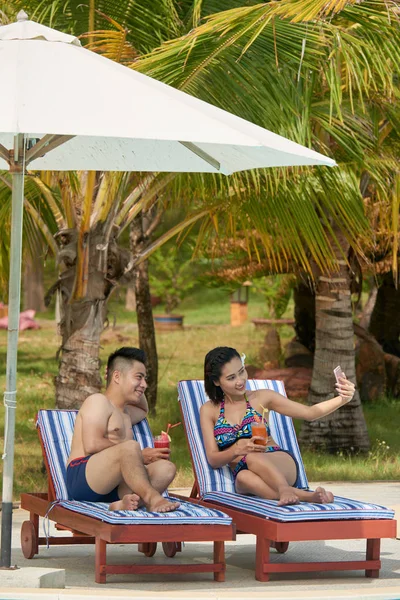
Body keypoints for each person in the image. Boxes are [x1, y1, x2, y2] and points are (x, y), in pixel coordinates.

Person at [201, 347, 356, 506]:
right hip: (244, 470)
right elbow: (213, 459)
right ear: (216, 381)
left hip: (278, 461)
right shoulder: (209, 410)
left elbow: (309, 413)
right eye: (231, 377)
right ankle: (309, 497)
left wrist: (343, 399)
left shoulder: (262, 397)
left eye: (241, 372)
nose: (240, 381)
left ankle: (284, 489)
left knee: (253, 456)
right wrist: (238, 451)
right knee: (241, 479)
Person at [67, 347, 179, 513]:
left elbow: (144, 409)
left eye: (145, 379)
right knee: (130, 446)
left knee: (166, 468)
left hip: (116, 484)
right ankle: (152, 499)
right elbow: (92, 444)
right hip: (84, 480)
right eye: (139, 377)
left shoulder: (126, 414)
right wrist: (139, 454)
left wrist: (137, 385)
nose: (144, 385)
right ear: (117, 376)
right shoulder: (98, 402)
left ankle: (122, 504)